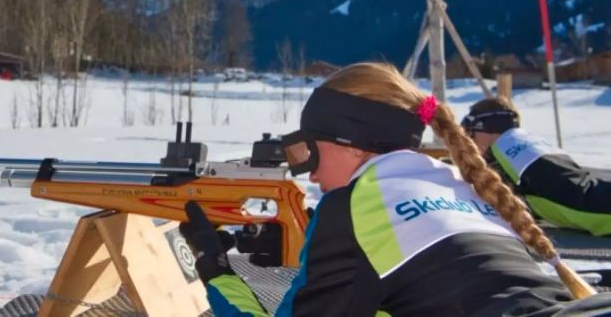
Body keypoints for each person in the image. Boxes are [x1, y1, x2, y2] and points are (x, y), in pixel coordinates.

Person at [180, 62, 606, 316]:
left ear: (348, 143)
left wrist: (217, 272)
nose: (310, 175)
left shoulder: (353, 206)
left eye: (309, 153)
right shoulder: (462, 183)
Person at [462, 97, 611, 237]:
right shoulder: (525, 141)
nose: (471, 141)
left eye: (471, 133)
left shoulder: (499, 152)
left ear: (487, 127)